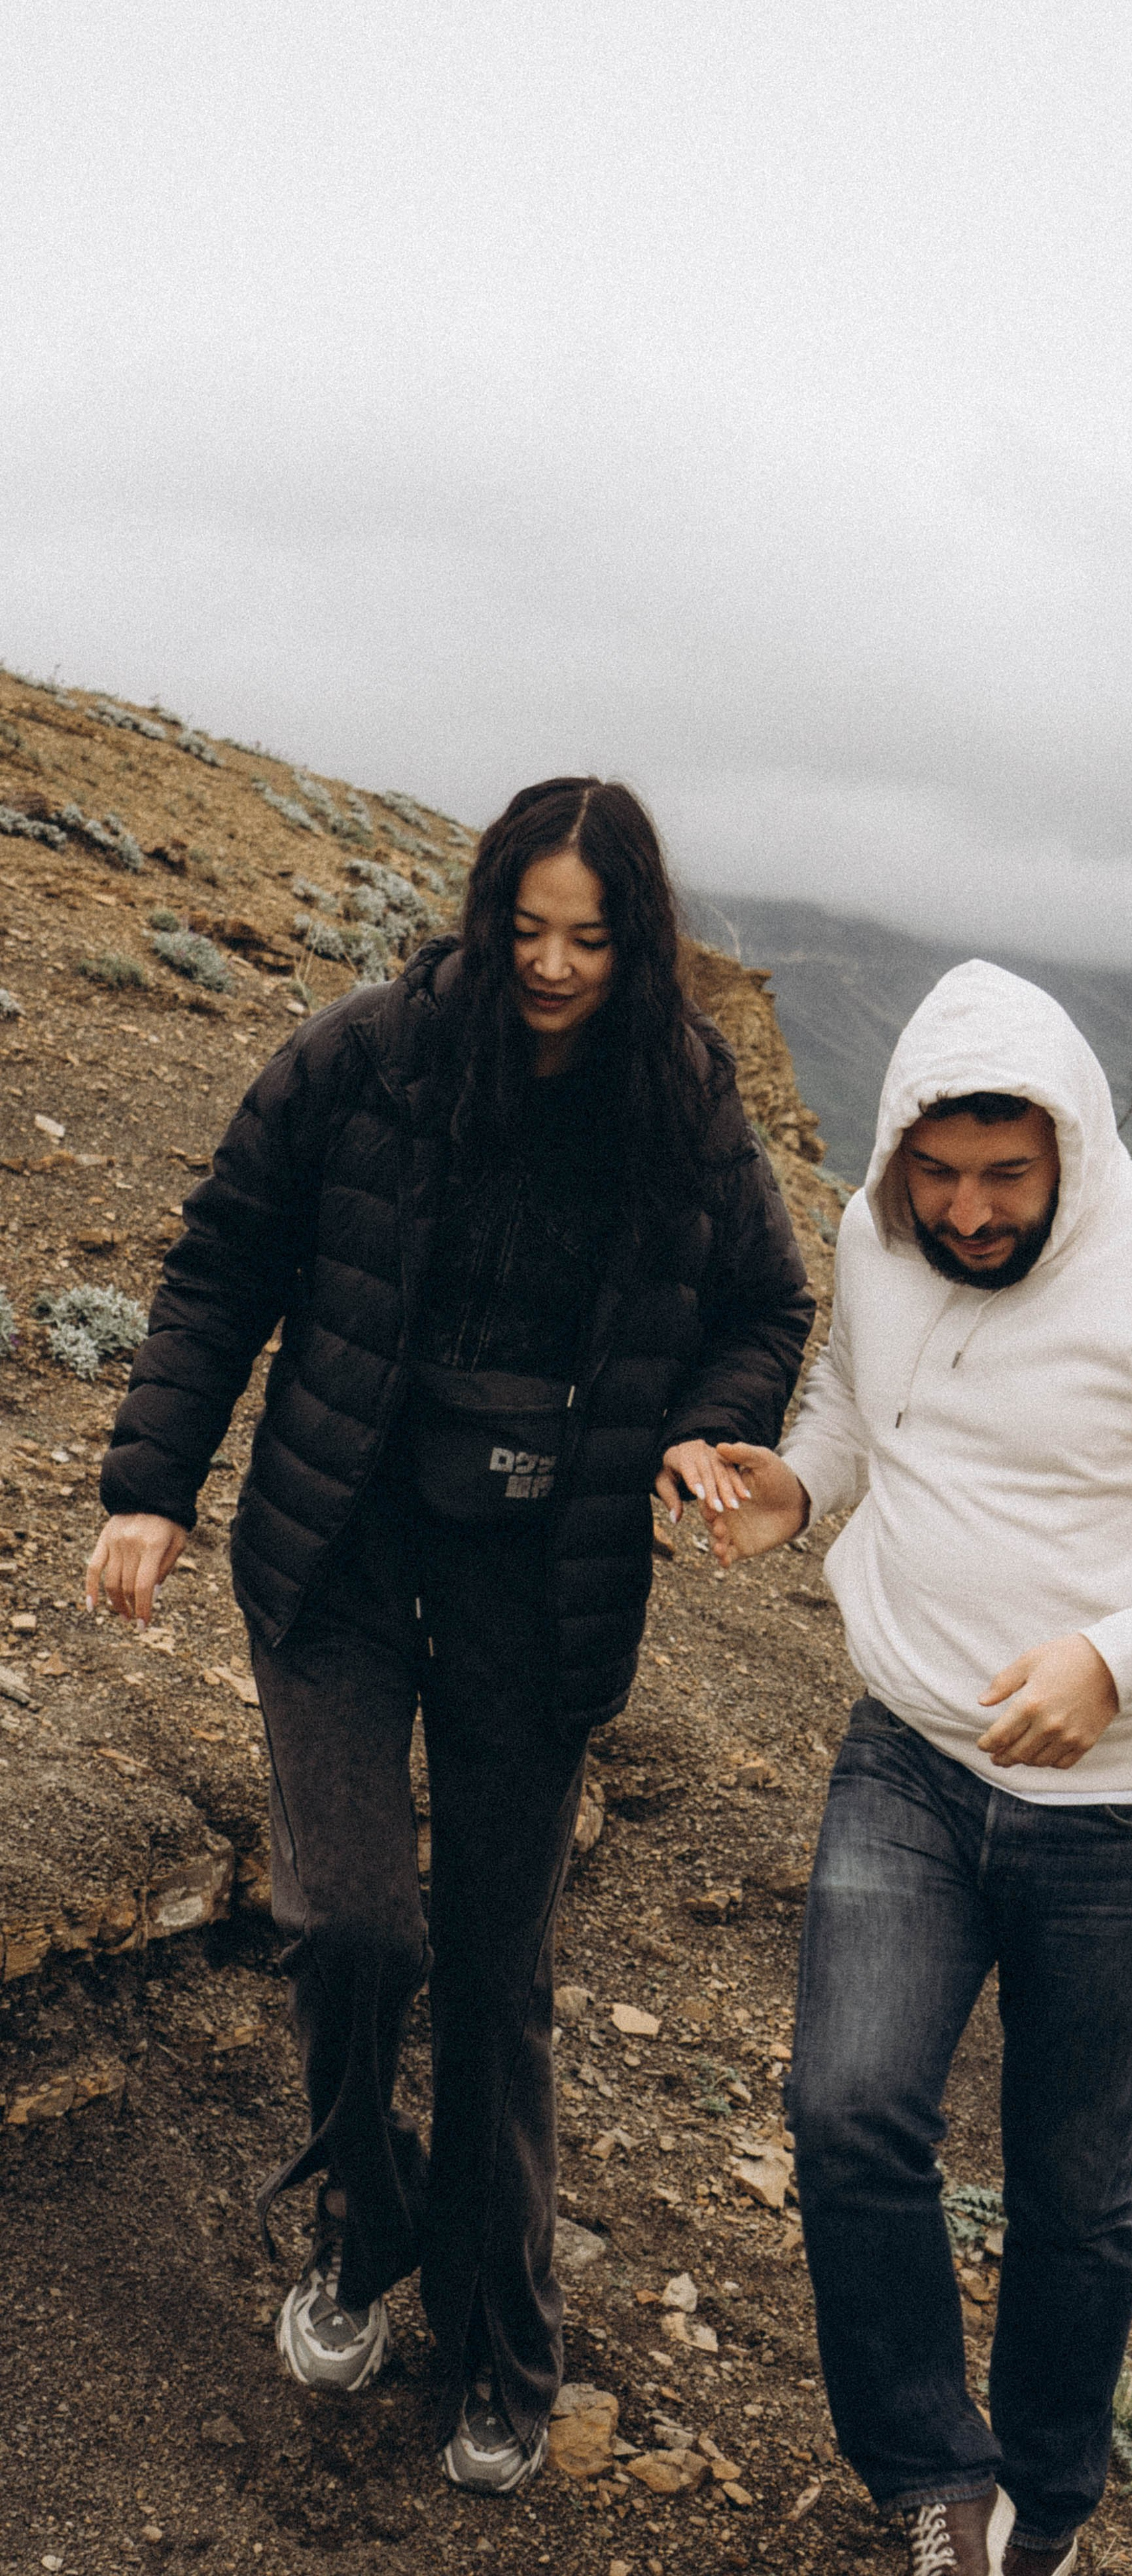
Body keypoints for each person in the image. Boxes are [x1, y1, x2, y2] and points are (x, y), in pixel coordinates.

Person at [85, 779, 813, 2493]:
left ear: (638, 943)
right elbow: (220, 1263)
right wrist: (152, 1483)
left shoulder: (680, 1106)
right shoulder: (367, 1056)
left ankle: (504, 2345)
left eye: (592, 937)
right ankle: (366, 2230)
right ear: (483, 914)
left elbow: (764, 1302)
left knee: (497, 1977)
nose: (553, 967)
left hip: (536, 1576)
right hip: (337, 1546)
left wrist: (708, 1430)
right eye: (528, 929)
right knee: (348, 1922)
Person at [693, 960, 1132, 2576]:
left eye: (1005, 1175)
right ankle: (933, 2477)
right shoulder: (876, 1235)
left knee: (1068, 2182)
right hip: (908, 1761)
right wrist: (792, 1494)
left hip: (1124, 1809)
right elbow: (866, 1401)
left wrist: (1115, 1654)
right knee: (847, 2111)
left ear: (1071, 1144)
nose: (968, 1210)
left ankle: (1045, 2512)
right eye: (937, 1174)